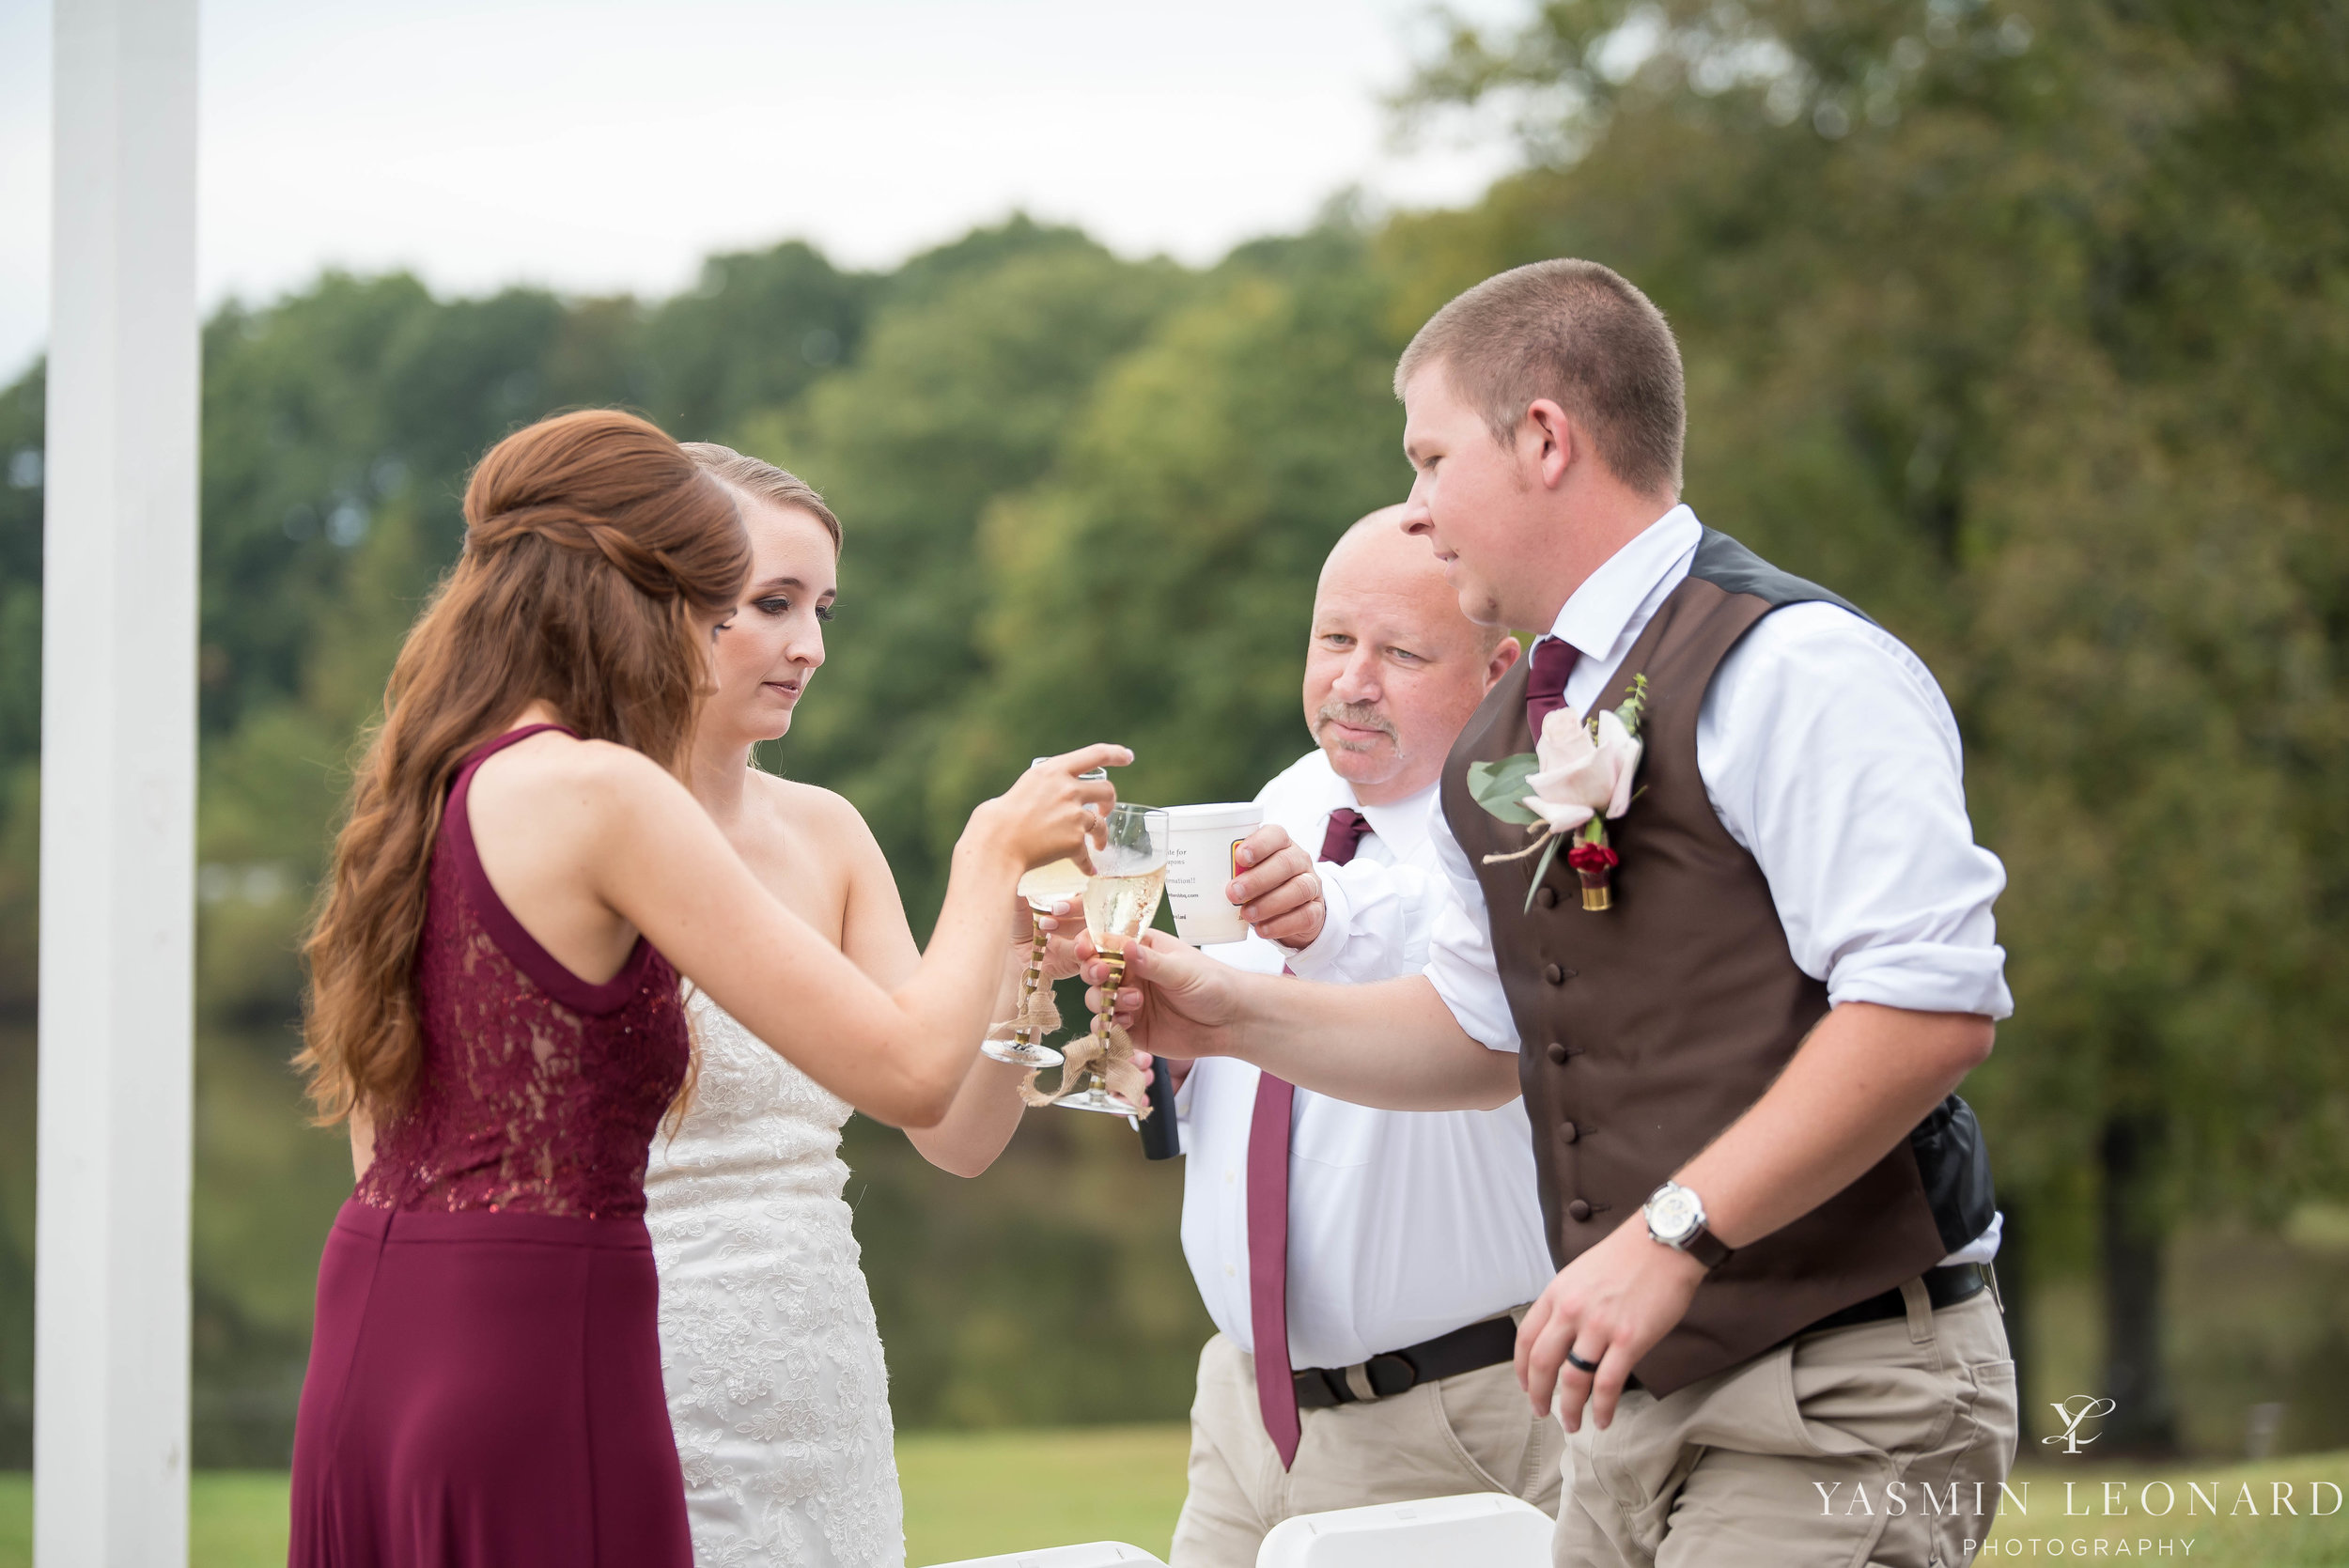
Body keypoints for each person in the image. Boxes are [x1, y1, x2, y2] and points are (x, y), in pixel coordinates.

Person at [1089, 260, 2017, 1568]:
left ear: (1542, 441)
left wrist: (1672, 1232)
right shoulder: (1513, 733)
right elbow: (1476, 1042)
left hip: (1837, 1381)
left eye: (1427, 458)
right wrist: (1232, 1012)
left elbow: (1928, 1011)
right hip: (1624, 1413)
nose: (1415, 508)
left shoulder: (1795, 668)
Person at [288, 409, 1123, 1568]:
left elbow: (393, 1145)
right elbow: (910, 1066)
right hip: (569, 1345)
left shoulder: (436, 787)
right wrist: (990, 852)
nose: (788, 639)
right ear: (643, 588)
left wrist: (1022, 954)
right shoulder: (606, 797)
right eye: (734, 598)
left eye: (817, 609)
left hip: (401, 1325)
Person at [646, 444, 1080, 1568]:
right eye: (772, 604)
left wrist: (1022, 968)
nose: (811, 647)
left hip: (821, 1365)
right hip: (643, 1361)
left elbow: (955, 1135)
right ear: (665, 600)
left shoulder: (828, 833)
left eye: (822, 608)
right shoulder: (586, 828)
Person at [1164, 506, 1559, 1567]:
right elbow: (1247, 1069)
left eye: (1400, 653)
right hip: (1244, 1407)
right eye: (1334, 639)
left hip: (1449, 1408)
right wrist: (1154, 1055)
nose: (1352, 681)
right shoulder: (1283, 800)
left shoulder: (1532, 823)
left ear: (1497, 668)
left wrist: (1324, 921)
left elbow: (1447, 983)